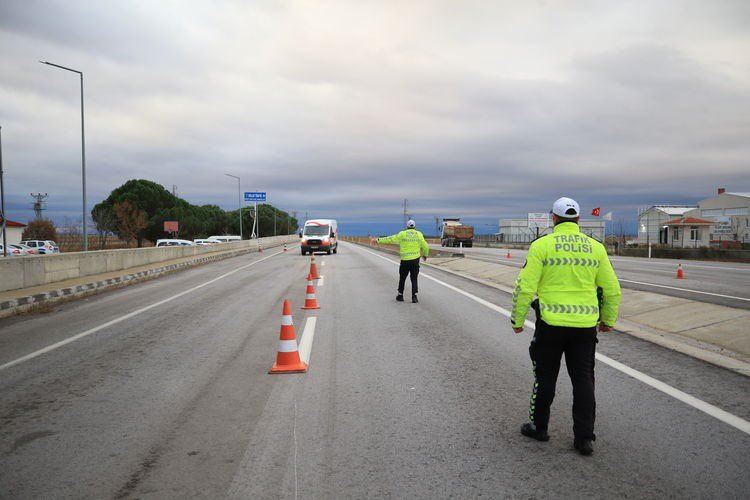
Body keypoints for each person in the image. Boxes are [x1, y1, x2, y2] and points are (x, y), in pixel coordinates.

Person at [510, 197, 621, 456]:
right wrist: (608, 319)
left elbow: (524, 287)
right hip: (584, 327)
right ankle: (584, 438)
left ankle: (539, 427)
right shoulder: (596, 248)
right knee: (583, 380)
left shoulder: (541, 246)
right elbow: (612, 289)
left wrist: (517, 319)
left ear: (554, 218)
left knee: (545, 377)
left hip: (550, 324)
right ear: (579, 220)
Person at [374, 220, 429, 303]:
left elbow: (390, 239)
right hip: (415, 260)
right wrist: (425, 255)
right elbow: (425, 246)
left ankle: (400, 295)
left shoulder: (402, 234)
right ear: (414, 226)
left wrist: (378, 240)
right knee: (414, 278)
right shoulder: (419, 234)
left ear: (407, 226)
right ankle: (414, 297)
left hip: (405, 260)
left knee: (402, 278)